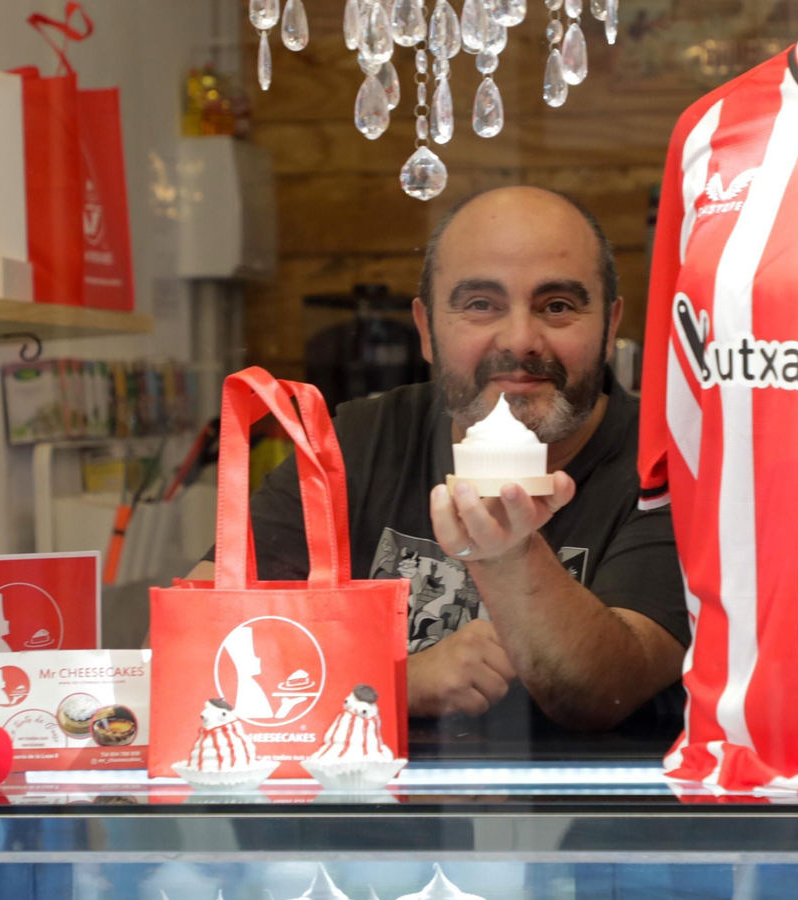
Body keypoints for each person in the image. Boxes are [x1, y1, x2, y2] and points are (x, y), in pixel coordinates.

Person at [191, 186, 687, 735]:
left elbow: (604, 692)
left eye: (558, 306)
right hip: (366, 814)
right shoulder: (356, 441)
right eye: (480, 305)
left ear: (610, 326)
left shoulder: (668, 461)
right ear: (426, 329)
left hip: (595, 818)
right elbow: (192, 656)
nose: (521, 340)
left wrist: (507, 554)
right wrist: (394, 680)